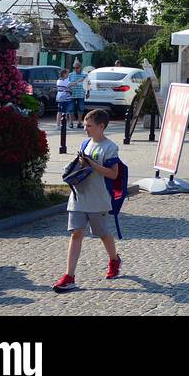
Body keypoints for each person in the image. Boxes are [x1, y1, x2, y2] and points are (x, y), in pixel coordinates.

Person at [53, 108, 123, 292]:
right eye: (84, 125)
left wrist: (91, 164)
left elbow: (114, 174)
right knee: (76, 233)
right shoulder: (85, 144)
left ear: (101, 126)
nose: (85, 129)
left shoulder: (110, 147)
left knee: (103, 234)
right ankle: (69, 276)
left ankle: (114, 260)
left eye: (89, 126)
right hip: (78, 197)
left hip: (98, 199)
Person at [67, 60, 88, 128]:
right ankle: (71, 123)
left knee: (81, 108)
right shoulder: (70, 75)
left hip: (81, 94)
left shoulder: (85, 74)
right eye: (74, 68)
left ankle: (79, 123)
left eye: (77, 67)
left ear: (80, 67)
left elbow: (88, 84)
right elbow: (68, 84)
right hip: (72, 94)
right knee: (71, 108)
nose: (76, 69)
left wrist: (88, 92)